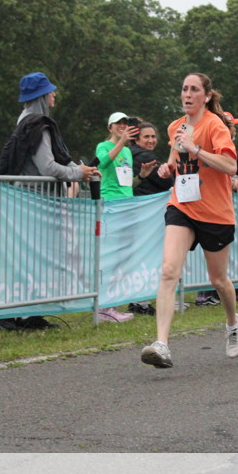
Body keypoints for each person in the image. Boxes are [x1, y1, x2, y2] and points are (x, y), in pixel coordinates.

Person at [140, 73, 238, 369]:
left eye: (194, 89)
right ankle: (162, 345)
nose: (187, 94)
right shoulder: (176, 127)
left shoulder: (215, 126)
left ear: (206, 96)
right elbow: (175, 162)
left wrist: (196, 148)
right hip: (182, 206)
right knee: (168, 271)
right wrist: (166, 169)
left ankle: (232, 323)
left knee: (218, 280)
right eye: (184, 89)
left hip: (215, 212)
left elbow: (230, 166)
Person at [0, 73, 98, 331]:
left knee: (32, 259)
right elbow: (48, 167)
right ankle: (19, 314)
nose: (54, 94)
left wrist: (78, 169)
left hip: (30, 200)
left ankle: (29, 313)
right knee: (35, 260)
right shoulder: (38, 125)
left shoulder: (26, 121)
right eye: (50, 91)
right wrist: (78, 173)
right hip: (38, 202)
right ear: (41, 96)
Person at [94, 112, 156, 322]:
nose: (122, 126)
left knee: (122, 257)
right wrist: (121, 142)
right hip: (111, 206)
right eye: (118, 123)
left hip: (127, 205)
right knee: (111, 257)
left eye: (125, 123)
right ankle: (104, 307)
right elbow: (102, 164)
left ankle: (112, 305)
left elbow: (127, 183)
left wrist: (142, 177)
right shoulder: (103, 146)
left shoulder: (128, 152)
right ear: (110, 127)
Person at [130, 121, 172, 197]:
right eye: (146, 137)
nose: (151, 140)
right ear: (136, 139)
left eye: (153, 136)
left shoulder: (129, 153)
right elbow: (167, 182)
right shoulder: (146, 157)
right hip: (148, 200)